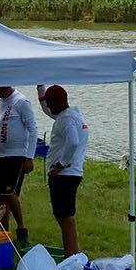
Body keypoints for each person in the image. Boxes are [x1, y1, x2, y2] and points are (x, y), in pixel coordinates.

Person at [0, 85, 36, 245]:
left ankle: (22, 229)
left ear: (6, 87)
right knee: (0, 193)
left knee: (10, 192)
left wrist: (29, 156)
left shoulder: (21, 102)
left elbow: (33, 130)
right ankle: (4, 232)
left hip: (16, 155)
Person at [40, 85, 87, 257]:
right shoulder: (75, 116)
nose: (49, 107)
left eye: (50, 103)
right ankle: (73, 253)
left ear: (58, 102)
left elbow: (73, 142)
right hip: (73, 173)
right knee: (66, 217)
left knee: (64, 218)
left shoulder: (65, 120)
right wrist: (40, 88)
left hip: (64, 176)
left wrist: (60, 165)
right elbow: (48, 111)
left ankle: (71, 257)